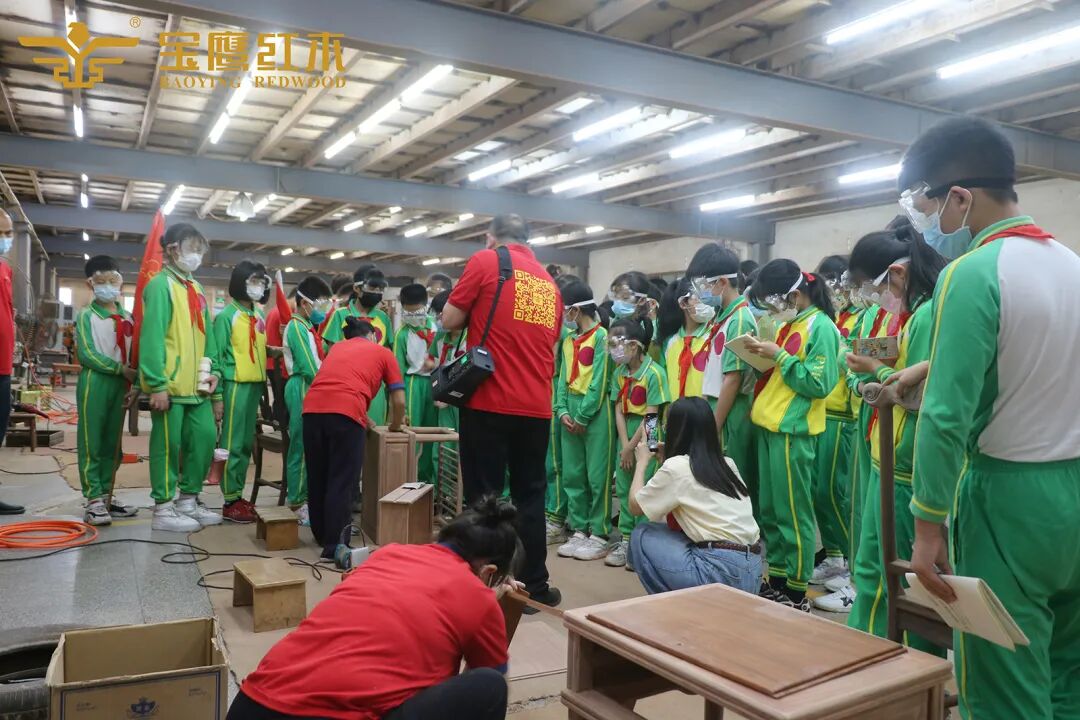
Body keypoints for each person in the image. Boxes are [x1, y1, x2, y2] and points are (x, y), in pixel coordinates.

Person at [893, 117, 1080, 720]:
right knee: (1067, 677)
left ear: (960, 198)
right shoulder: (1072, 265)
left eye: (927, 209)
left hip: (1009, 499)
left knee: (1003, 683)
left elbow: (946, 417)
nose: (928, 227)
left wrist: (927, 527)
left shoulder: (971, 273)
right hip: (1074, 490)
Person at [230, 497, 518, 720]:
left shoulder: (389, 554)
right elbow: (486, 681)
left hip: (251, 705)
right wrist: (487, 605)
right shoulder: (478, 597)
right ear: (488, 572)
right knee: (490, 687)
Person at [442, 214, 562, 610]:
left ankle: (484, 583)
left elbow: (449, 320)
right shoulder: (549, 284)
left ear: (489, 237)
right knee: (531, 496)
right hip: (537, 407)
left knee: (484, 499)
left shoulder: (486, 261)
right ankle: (534, 586)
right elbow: (550, 346)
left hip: (489, 401)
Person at [838, 224, 948, 644]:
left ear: (897, 274)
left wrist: (875, 370)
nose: (873, 298)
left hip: (904, 461)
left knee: (894, 579)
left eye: (874, 287)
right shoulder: (909, 314)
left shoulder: (925, 315)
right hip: (887, 450)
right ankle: (870, 652)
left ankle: (891, 663)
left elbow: (918, 395)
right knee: (874, 568)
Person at [743, 260, 840, 611]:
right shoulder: (789, 324)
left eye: (773, 302)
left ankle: (797, 589)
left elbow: (820, 383)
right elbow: (785, 372)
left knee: (792, 513)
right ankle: (779, 577)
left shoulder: (822, 327)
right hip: (769, 425)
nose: (771, 311)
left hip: (792, 431)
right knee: (770, 511)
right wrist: (765, 355)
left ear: (794, 295)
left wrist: (780, 356)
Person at [629, 397, 761, 595]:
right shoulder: (728, 463)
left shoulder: (676, 468)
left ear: (676, 430)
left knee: (642, 533)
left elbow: (635, 506)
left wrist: (641, 463)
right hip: (754, 571)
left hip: (718, 569)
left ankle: (679, 604)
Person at [139, 223, 222, 532]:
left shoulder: (196, 288)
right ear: (173, 249)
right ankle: (163, 508)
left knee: (203, 440)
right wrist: (157, 384)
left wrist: (214, 373)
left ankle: (188, 499)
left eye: (200, 250)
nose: (197, 256)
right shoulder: (160, 286)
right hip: (171, 387)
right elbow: (152, 338)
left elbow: (208, 335)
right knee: (167, 446)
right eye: (192, 249)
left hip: (198, 388)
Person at [302, 317, 405, 558]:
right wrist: (396, 426)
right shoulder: (383, 352)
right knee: (342, 480)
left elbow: (337, 385)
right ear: (372, 335)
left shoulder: (337, 348)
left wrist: (362, 417)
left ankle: (322, 535)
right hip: (346, 415)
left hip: (312, 411)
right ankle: (335, 547)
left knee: (318, 476)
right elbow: (399, 400)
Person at [689, 244, 759, 518]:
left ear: (721, 282)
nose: (699, 294)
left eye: (703, 286)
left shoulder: (740, 319)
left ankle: (743, 535)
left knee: (734, 480)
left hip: (731, 410)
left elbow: (733, 378)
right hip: (715, 407)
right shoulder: (723, 317)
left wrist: (713, 426)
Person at [807, 254, 859, 604]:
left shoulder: (860, 316)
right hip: (822, 410)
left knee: (836, 493)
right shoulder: (830, 318)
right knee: (819, 492)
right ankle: (836, 556)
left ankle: (852, 565)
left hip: (844, 414)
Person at [74, 255, 138, 526]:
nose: (108, 286)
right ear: (90, 283)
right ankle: (93, 498)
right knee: (92, 440)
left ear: (120, 281)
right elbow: (86, 354)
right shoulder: (86, 316)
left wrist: (134, 380)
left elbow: (134, 352)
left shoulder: (128, 317)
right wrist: (119, 369)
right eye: (102, 281)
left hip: (120, 384)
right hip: (95, 382)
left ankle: (106, 494)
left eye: (113, 280)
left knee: (113, 443)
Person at [553, 280, 615, 562]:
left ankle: (599, 532)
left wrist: (583, 415)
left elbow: (599, 381)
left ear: (576, 310)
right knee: (573, 474)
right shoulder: (568, 340)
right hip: (570, 408)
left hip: (596, 411)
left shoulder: (602, 337)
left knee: (597, 475)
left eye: (565, 310)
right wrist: (562, 410)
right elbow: (562, 377)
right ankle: (579, 528)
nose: (563, 316)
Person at [607, 316, 669, 568]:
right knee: (624, 488)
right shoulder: (619, 373)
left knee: (645, 488)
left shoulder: (655, 373)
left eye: (616, 344)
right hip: (627, 433)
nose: (612, 350)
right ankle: (626, 539)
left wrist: (632, 447)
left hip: (649, 431)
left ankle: (641, 545)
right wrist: (624, 447)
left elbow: (651, 416)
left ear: (633, 345)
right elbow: (618, 409)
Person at [214, 262, 271, 524]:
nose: (258, 287)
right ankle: (230, 500)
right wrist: (218, 396)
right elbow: (217, 355)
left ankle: (237, 494)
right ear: (240, 283)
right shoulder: (228, 316)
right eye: (253, 281)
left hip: (254, 385)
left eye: (261, 282)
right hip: (235, 384)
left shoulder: (257, 316)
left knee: (246, 444)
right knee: (233, 443)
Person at [283, 276, 333, 525]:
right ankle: (297, 502)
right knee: (301, 446)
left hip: (311, 387)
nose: (323, 310)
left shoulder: (308, 328)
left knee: (311, 445)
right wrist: (330, 387)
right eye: (320, 304)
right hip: (302, 386)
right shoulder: (296, 327)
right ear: (304, 303)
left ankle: (307, 497)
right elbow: (308, 367)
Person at [322, 265, 394, 426]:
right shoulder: (340, 315)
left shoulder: (383, 318)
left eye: (380, 289)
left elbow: (388, 352)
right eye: (372, 288)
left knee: (375, 433)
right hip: (346, 388)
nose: (377, 293)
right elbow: (332, 354)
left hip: (376, 390)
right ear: (357, 288)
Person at [543, 274, 580, 546]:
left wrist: (648, 444)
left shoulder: (653, 375)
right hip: (558, 401)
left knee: (581, 473)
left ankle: (603, 531)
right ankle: (568, 520)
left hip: (641, 429)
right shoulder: (559, 334)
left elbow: (653, 414)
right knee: (556, 464)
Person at [394, 283, 438, 484]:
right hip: (413, 384)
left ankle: (431, 481)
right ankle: (411, 479)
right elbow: (397, 369)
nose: (413, 317)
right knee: (413, 431)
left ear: (426, 305)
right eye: (408, 313)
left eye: (417, 312)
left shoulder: (437, 327)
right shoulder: (402, 334)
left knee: (433, 430)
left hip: (435, 383)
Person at [657, 277, 715, 401]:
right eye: (698, 297)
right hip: (673, 411)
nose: (705, 302)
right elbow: (662, 387)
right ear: (683, 303)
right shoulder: (669, 342)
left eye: (707, 296)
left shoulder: (714, 336)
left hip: (705, 410)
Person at [0, 210, 22, 516]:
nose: (6, 239)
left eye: (8, 233)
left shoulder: (5, 268)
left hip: (3, 367)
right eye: (1, 233)